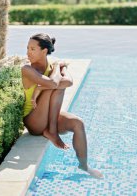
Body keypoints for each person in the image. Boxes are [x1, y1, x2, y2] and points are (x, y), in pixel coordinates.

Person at [21, 33, 103, 179]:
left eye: (32, 49)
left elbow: (69, 81)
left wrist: (55, 71)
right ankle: (51, 130)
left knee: (78, 123)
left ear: (44, 51)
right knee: (55, 87)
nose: (28, 52)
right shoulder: (27, 69)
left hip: (48, 114)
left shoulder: (53, 67)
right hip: (33, 120)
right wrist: (57, 70)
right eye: (27, 48)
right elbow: (54, 84)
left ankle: (84, 165)